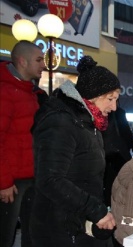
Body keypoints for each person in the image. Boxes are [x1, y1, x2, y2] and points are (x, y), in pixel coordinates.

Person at [30, 55, 119, 246]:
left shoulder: (90, 124)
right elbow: (50, 179)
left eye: (116, 99)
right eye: (110, 99)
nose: (114, 107)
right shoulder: (61, 122)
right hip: (58, 227)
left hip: (80, 222)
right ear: (92, 96)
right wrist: (96, 209)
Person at [0, 40, 47, 247]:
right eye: (38, 60)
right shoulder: (5, 92)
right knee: (5, 235)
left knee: (32, 234)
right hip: (11, 183)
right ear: (22, 61)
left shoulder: (31, 93)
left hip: (30, 178)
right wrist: (4, 182)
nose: (44, 65)